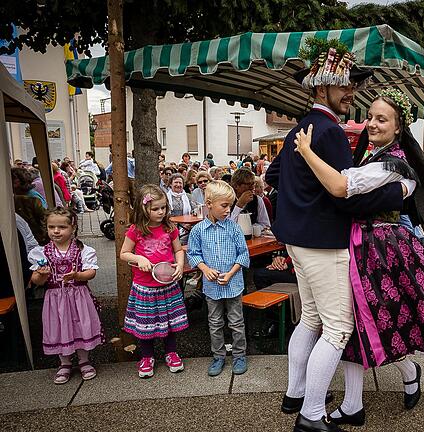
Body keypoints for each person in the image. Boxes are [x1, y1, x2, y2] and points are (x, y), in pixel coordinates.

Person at [293, 88, 424, 425]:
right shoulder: (375, 155)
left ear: (399, 127)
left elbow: (342, 186)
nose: (371, 123)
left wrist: (308, 152)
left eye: (381, 119)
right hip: (359, 244)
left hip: (383, 251)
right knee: (356, 328)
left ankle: (410, 370)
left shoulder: (393, 161)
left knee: (384, 324)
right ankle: (353, 404)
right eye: (369, 116)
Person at [264, 42, 407, 432]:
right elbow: (348, 193)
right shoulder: (329, 132)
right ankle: (311, 416)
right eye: (345, 85)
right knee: (339, 329)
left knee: (310, 319)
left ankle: (295, 393)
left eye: (353, 86)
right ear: (321, 86)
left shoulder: (302, 127)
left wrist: (300, 202)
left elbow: (272, 177)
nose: (352, 93)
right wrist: (398, 193)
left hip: (296, 240)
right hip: (324, 243)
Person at [120, 185, 188, 378]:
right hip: (145, 288)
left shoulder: (170, 227)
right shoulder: (136, 230)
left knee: (169, 322)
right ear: (144, 209)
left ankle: (171, 352)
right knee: (146, 324)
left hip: (167, 285)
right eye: (155, 208)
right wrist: (139, 259)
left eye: (163, 208)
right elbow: (124, 253)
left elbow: (178, 250)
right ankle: (147, 356)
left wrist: (180, 265)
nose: (161, 212)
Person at [28, 207, 101, 384]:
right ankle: (65, 363)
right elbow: (35, 280)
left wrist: (77, 275)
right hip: (55, 298)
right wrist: (41, 275)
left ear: (72, 227)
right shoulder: (41, 253)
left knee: (81, 325)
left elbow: (91, 272)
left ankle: (84, 361)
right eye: (51, 227)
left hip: (78, 296)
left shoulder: (83, 250)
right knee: (59, 327)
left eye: (61, 227)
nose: (56, 231)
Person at [187, 180, 251, 377]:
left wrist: (231, 273)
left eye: (229, 206)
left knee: (236, 321)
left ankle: (240, 355)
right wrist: (205, 269)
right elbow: (193, 254)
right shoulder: (198, 230)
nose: (227, 210)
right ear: (209, 204)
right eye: (224, 206)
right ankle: (218, 357)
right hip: (212, 287)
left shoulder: (233, 228)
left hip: (233, 285)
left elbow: (243, 254)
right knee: (214, 322)